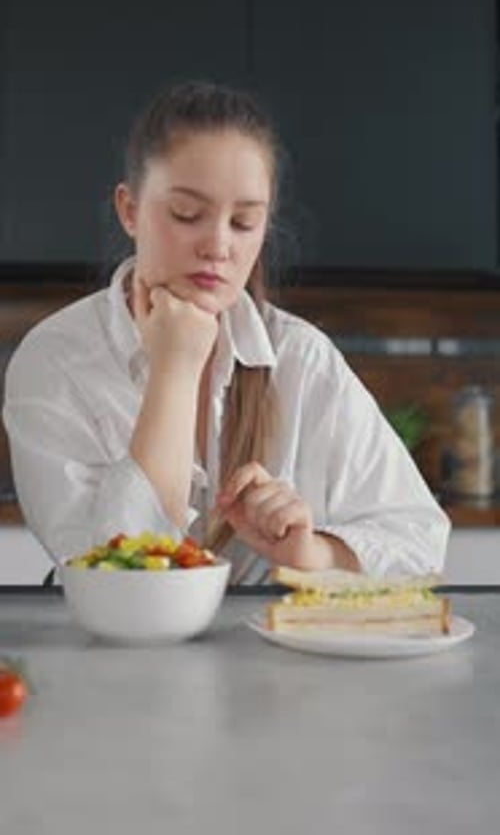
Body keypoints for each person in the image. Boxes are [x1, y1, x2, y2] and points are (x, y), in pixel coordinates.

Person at [3, 80, 450, 585]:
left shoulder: (301, 358)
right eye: (187, 214)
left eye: (243, 223)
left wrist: (311, 552)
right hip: (106, 660)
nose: (218, 245)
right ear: (130, 210)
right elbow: (112, 577)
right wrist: (174, 369)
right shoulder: (55, 360)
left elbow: (420, 542)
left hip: (270, 660)